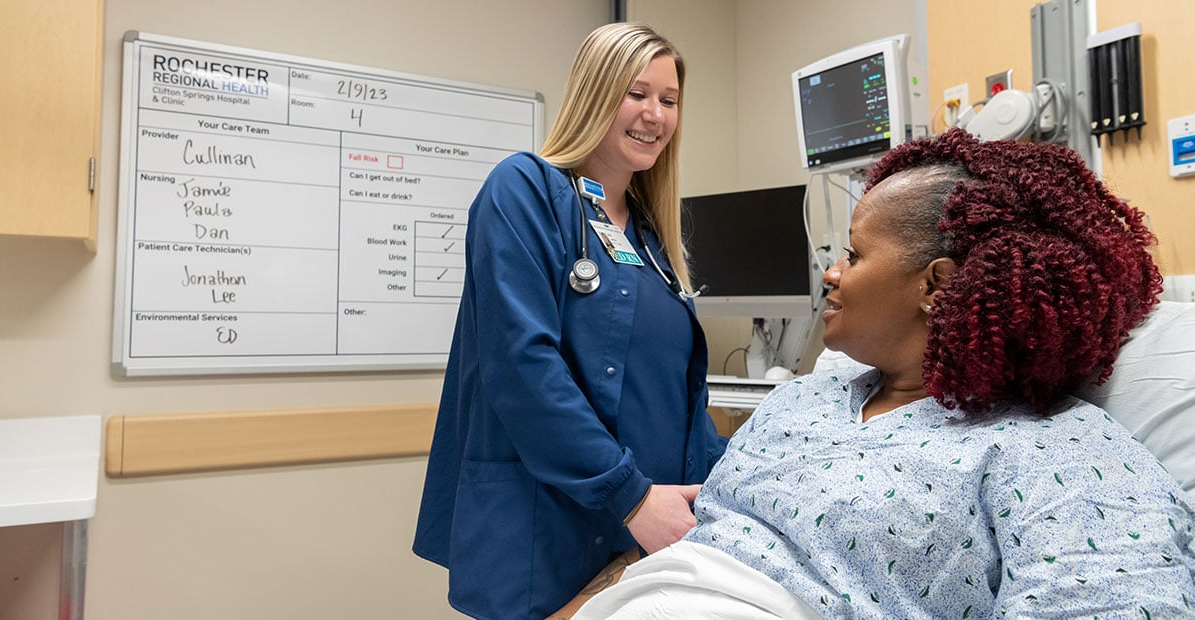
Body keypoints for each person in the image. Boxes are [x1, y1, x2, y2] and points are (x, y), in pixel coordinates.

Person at [571, 129, 1195, 618]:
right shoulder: (802, 402)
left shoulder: (1057, 454)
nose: (832, 273)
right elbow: (697, 547)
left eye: (854, 252)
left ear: (936, 285)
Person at [412, 22, 728, 619]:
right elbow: (523, 366)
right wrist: (631, 496)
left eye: (669, 100)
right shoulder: (525, 190)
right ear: (595, 92)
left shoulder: (653, 237)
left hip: (647, 541)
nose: (654, 114)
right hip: (553, 527)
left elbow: (674, 398)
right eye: (637, 93)